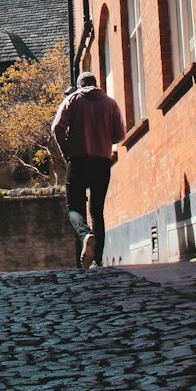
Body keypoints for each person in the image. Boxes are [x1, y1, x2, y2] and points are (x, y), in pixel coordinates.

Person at [51, 70, 126, 268]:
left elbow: (56, 127)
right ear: (95, 83)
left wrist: (65, 150)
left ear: (79, 85)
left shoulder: (73, 100)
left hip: (78, 161)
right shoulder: (110, 103)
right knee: (97, 211)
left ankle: (86, 235)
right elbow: (119, 135)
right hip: (102, 162)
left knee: (74, 207)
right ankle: (98, 260)